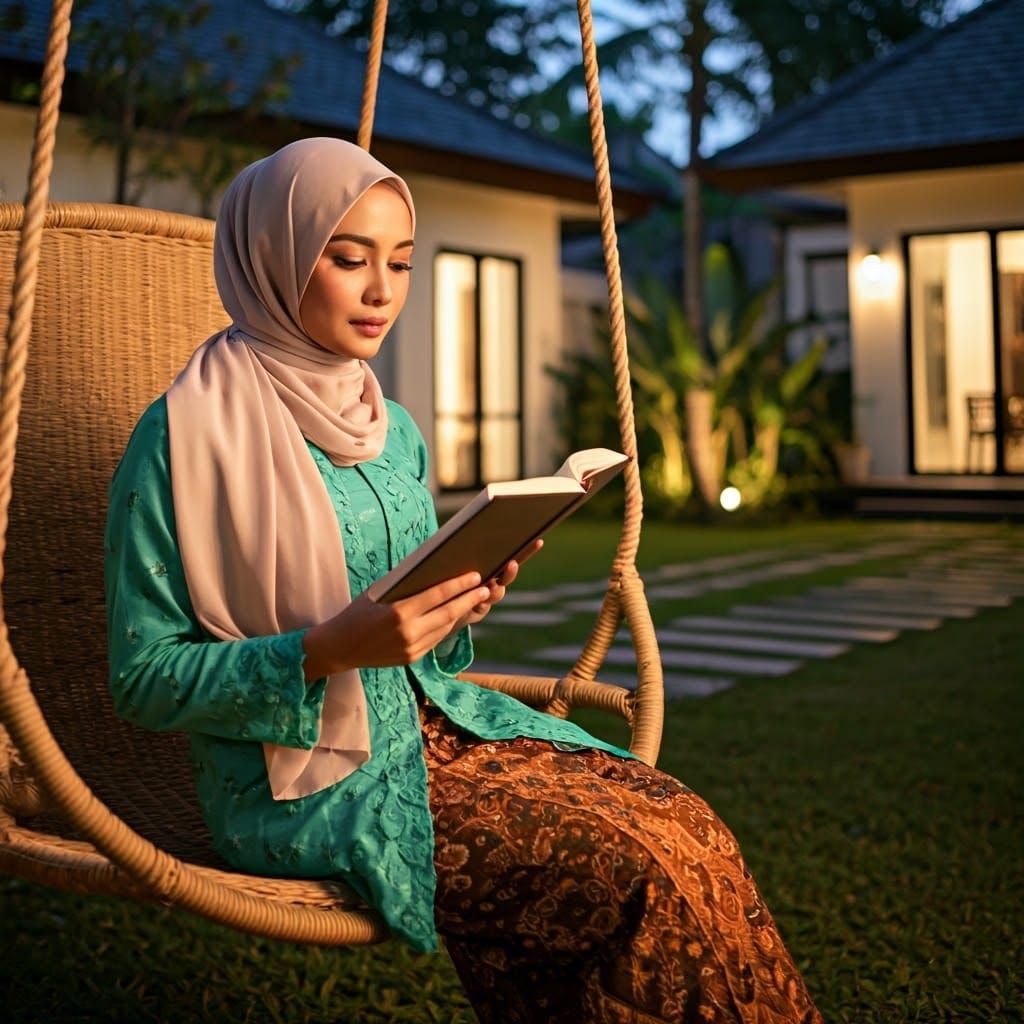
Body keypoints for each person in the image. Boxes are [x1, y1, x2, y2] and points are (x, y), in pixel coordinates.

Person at [105, 137, 823, 1024]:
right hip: (311, 778)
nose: (383, 293)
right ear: (273, 257)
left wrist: (467, 594)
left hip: (441, 727)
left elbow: (415, 634)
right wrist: (329, 649)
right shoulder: (183, 441)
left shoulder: (388, 424)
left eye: (401, 264)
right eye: (347, 258)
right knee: (631, 864)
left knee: (680, 819)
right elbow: (142, 679)